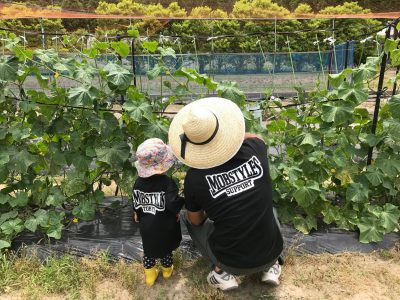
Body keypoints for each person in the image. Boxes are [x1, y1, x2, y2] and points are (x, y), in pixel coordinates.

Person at [168, 97, 284, 291]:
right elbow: (255, 136)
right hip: (270, 251)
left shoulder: (194, 178)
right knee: (268, 210)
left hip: (232, 261)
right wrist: (230, 136)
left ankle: (222, 273)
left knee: (188, 218)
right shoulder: (255, 148)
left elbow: (196, 221)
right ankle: (271, 266)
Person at [132, 138, 184, 287]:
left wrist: (136, 211)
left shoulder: (138, 182)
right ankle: (167, 271)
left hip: (147, 226)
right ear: (163, 164)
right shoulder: (167, 183)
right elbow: (173, 203)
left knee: (149, 251)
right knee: (166, 250)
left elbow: (135, 199)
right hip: (164, 225)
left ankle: (150, 276)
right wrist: (182, 202)